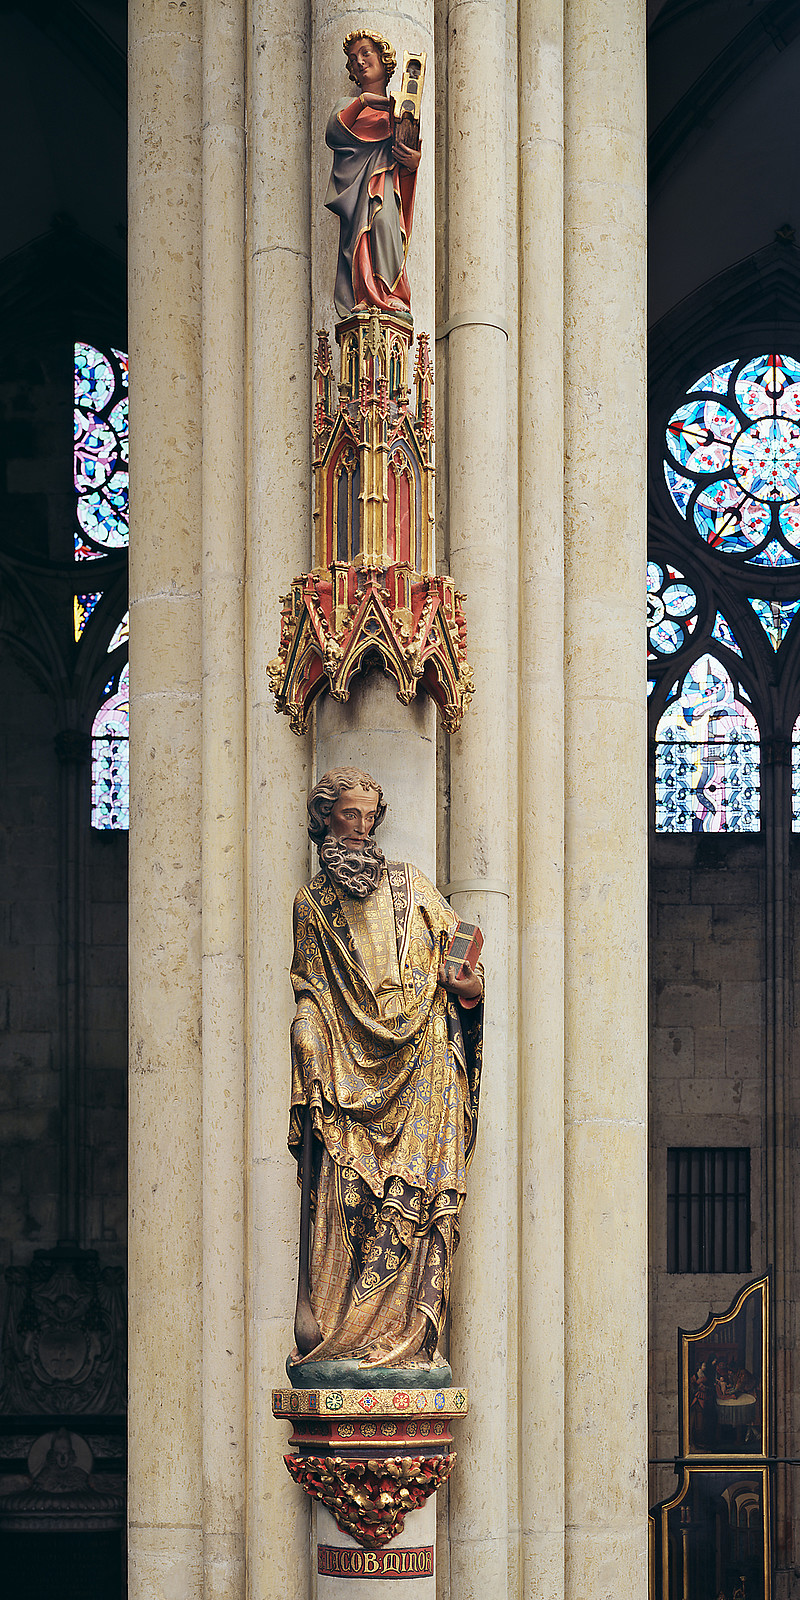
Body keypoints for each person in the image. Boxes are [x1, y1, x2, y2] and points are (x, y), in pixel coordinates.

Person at [288, 767, 483, 1372]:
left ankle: (406, 1339)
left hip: (422, 1059)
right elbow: (309, 984)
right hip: (348, 1069)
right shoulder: (313, 903)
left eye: (370, 815)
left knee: (420, 1201)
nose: (363, 825)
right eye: (350, 814)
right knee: (345, 1195)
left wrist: (470, 987)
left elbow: (463, 952)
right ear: (326, 817)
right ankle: (344, 1332)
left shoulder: (411, 886)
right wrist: (306, 1032)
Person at [325, 32, 421, 319]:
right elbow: (334, 132)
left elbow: (407, 150)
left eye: (366, 53)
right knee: (360, 240)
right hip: (357, 197)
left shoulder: (401, 111)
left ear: (383, 59)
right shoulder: (348, 105)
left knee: (384, 227)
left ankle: (390, 294)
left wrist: (413, 163)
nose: (360, 62)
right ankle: (364, 294)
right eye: (354, 59)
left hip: (387, 189)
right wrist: (364, 102)